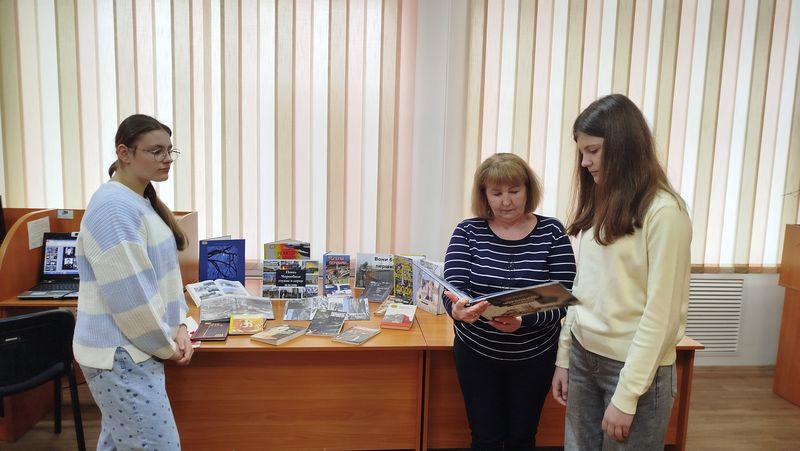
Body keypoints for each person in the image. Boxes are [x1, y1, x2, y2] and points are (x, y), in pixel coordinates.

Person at [551, 94, 691, 450]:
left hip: (633, 370)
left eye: (593, 151)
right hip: (584, 356)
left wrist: (627, 395)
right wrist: (565, 357)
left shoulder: (665, 213)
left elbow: (661, 317)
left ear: (624, 147)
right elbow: (583, 288)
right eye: (581, 152)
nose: (584, 162)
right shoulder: (602, 201)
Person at [72, 114, 193, 450]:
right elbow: (130, 297)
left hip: (134, 351)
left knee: (122, 441)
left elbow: (166, 279)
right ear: (124, 153)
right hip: (122, 355)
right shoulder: (113, 207)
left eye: (169, 150)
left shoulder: (139, 201)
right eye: (156, 151)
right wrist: (166, 345)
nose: (167, 159)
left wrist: (180, 326)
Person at [443, 152, 577, 451]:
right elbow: (453, 287)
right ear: (484, 195)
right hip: (477, 353)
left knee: (522, 437)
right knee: (484, 437)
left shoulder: (552, 232)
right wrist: (458, 310)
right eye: (497, 193)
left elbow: (562, 297)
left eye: (514, 191)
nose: (506, 201)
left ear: (528, 190)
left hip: (535, 355)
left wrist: (523, 321)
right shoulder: (468, 230)